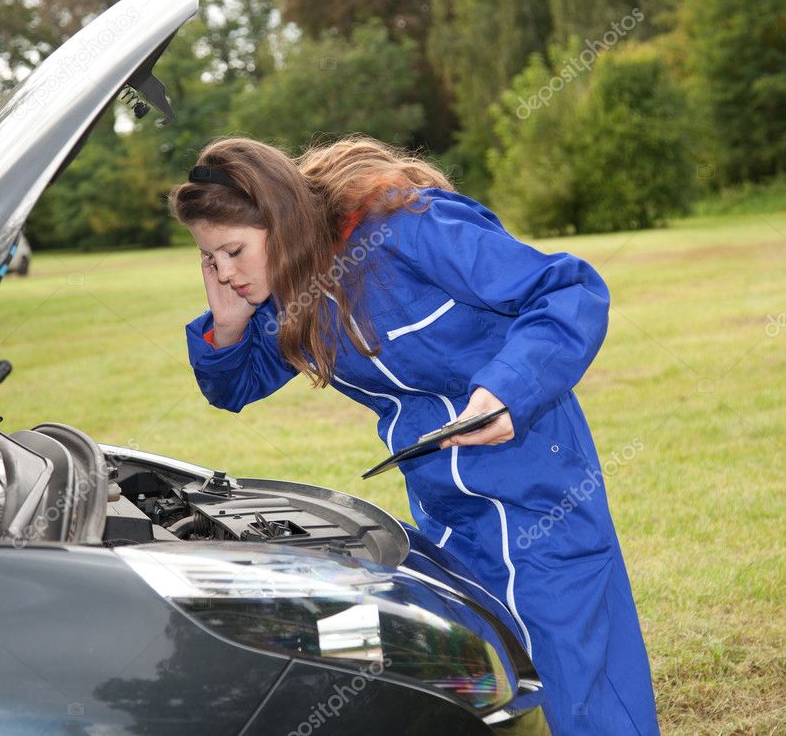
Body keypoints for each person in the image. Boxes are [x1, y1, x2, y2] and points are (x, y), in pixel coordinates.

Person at [167, 134, 660, 735]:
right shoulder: (293, 292)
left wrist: (510, 387)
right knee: (475, 673)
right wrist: (227, 319)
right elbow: (234, 386)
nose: (224, 271)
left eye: (234, 251)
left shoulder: (409, 227)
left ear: (279, 218)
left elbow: (567, 290)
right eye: (208, 258)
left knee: (578, 675)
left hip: (538, 485)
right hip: (443, 508)